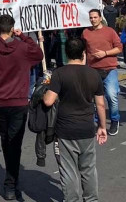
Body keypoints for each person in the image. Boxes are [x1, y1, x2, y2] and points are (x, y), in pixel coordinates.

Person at [0, 14, 44, 201]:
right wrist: (23, 36)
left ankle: (11, 181)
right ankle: (11, 182)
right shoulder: (22, 47)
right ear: (12, 28)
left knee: (7, 141)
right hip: (19, 102)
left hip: (0, 103)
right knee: (14, 143)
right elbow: (39, 55)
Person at [43, 38, 107, 202]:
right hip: (87, 127)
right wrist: (102, 126)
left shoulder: (59, 73)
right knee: (88, 169)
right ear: (83, 53)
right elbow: (100, 104)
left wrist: (44, 90)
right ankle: (91, 199)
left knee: (68, 170)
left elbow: (48, 101)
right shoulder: (94, 74)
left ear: (67, 54)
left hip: (65, 129)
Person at [81, 9, 122, 136]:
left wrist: (105, 53)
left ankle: (114, 120)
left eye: (95, 17)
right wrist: (82, 68)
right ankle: (96, 121)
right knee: (93, 99)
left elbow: (119, 48)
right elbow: (83, 51)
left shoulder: (110, 31)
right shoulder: (85, 33)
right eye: (91, 18)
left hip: (109, 69)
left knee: (111, 96)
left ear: (100, 18)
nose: (93, 20)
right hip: (92, 70)